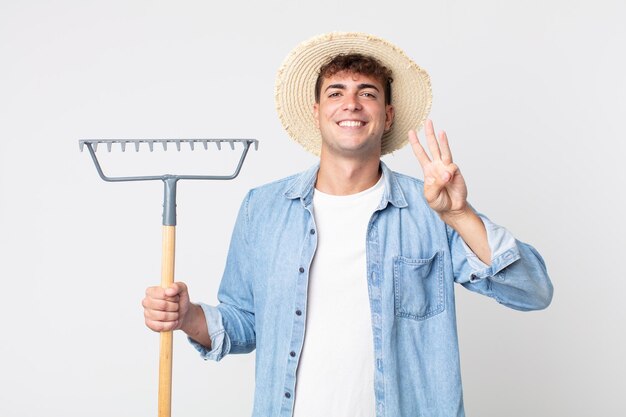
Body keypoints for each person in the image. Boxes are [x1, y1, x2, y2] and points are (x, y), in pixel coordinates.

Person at [142, 32, 553, 417]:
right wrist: (187, 316)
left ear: (387, 115)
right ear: (317, 112)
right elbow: (246, 324)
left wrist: (459, 215)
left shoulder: (433, 209)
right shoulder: (263, 208)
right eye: (336, 92)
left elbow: (533, 292)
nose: (351, 104)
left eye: (367, 94)